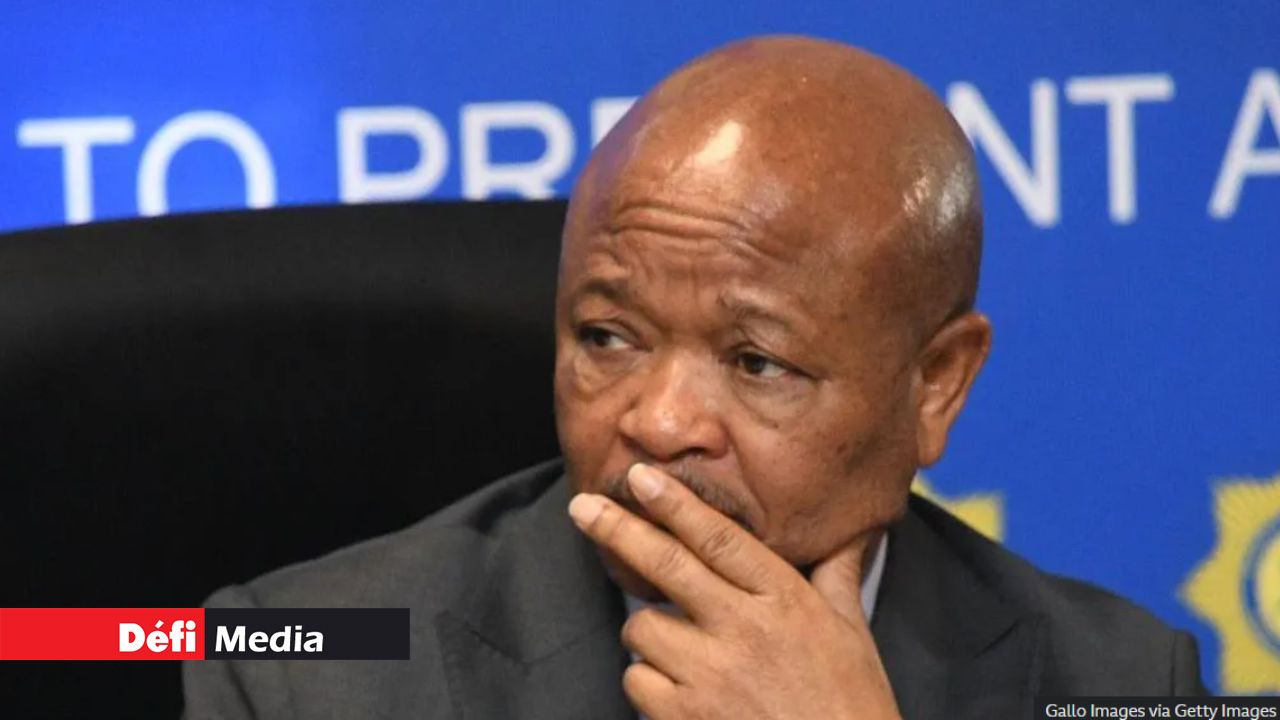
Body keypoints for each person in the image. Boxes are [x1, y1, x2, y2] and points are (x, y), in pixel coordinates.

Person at [182, 35, 1206, 720]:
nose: (659, 422)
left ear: (935, 383)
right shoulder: (302, 669)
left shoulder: (1120, 682)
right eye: (607, 338)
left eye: (756, 362)